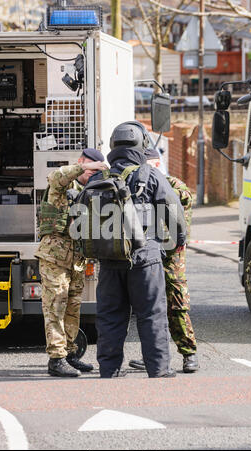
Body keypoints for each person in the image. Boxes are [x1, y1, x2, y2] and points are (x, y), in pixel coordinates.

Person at [87, 121, 187, 378]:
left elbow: (79, 215)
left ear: (112, 146)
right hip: (146, 260)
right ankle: (159, 369)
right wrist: (176, 242)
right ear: (143, 145)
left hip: (109, 261)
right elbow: (174, 215)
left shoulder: (99, 178)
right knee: (152, 314)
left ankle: (108, 370)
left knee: (110, 317)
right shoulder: (150, 175)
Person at [35, 148, 107, 377]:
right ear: (82, 164)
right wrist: (85, 168)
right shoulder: (62, 185)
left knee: (72, 309)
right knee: (55, 307)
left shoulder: (89, 192)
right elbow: (57, 175)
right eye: (89, 168)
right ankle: (56, 359)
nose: (91, 175)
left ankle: (70, 354)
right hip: (54, 258)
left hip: (76, 259)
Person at [129, 148, 199, 373]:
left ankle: (189, 354)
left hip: (171, 254)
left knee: (177, 304)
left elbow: (179, 217)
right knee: (150, 306)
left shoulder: (175, 187)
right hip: (150, 251)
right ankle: (154, 355)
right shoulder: (140, 185)